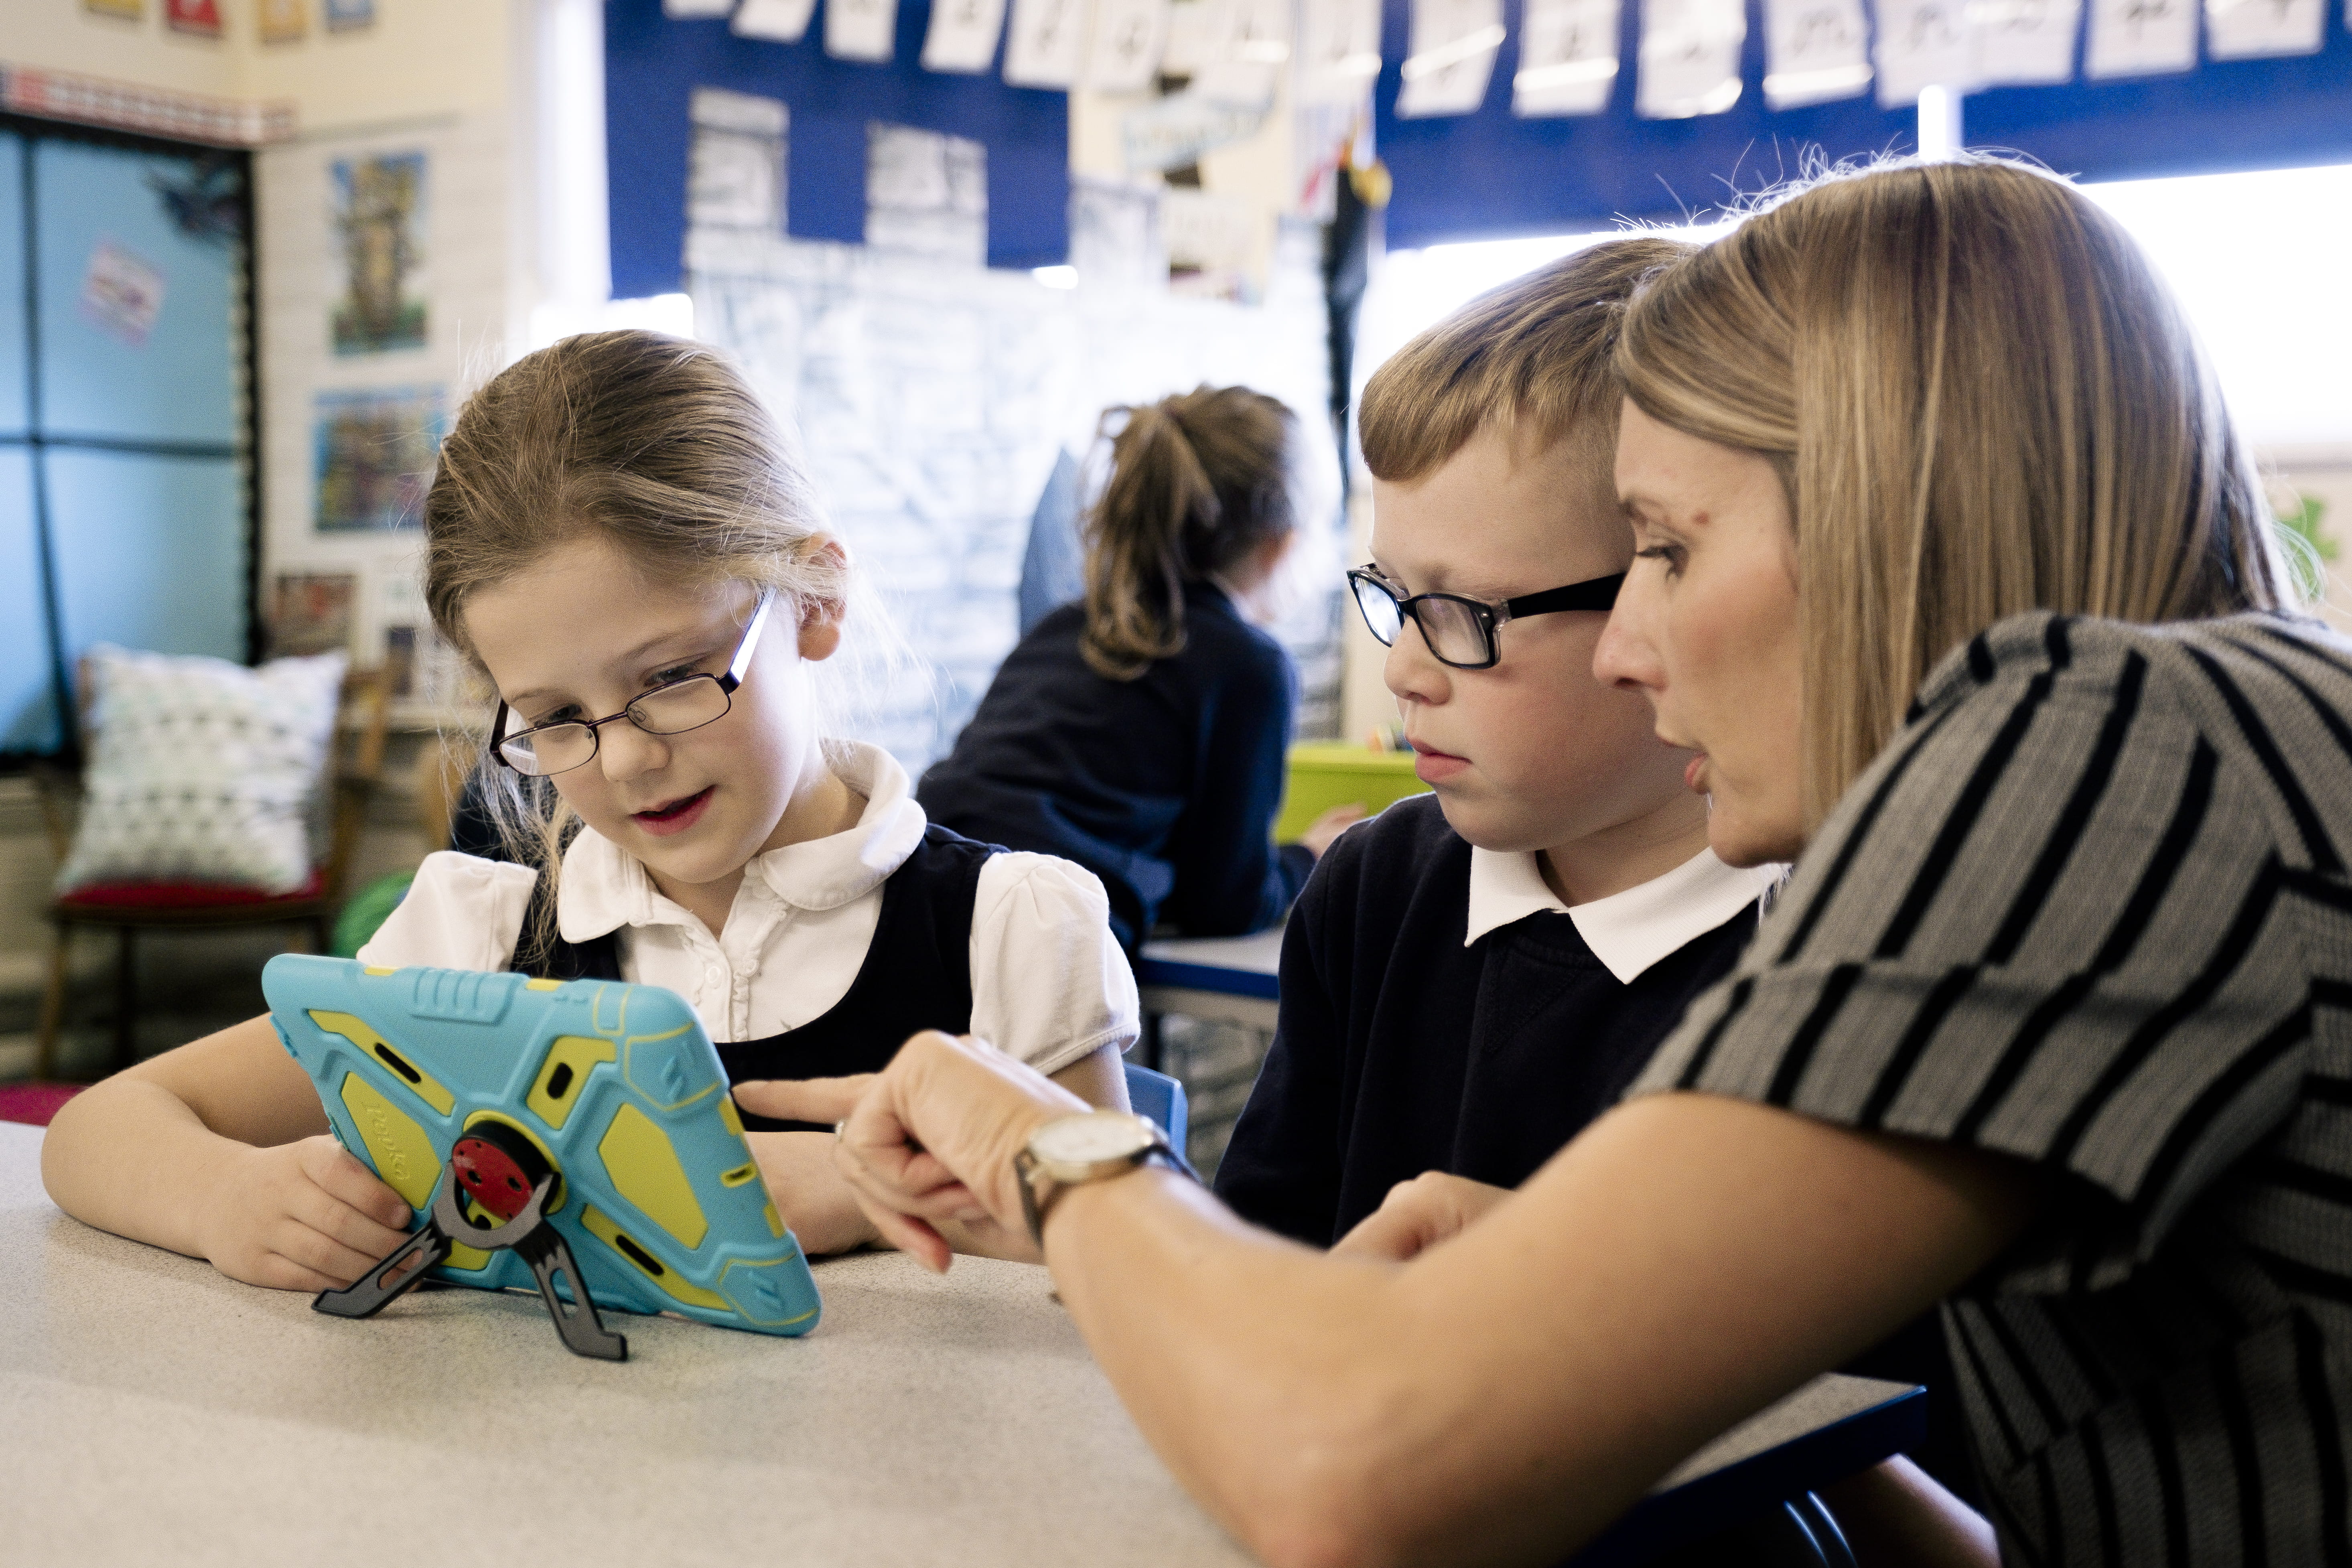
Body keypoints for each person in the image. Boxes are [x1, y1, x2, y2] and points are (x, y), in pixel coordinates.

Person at [739, 156, 2344, 1568]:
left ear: (1881, 512)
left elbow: (1350, 1477)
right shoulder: (2212, 750)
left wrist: (1057, 1149)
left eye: (1665, 544)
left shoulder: (2116, 738)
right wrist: (1689, 1371)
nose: (1632, 644)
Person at [41, 329, 1138, 1280]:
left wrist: (855, 1187)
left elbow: (1132, 1262)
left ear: (815, 599)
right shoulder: (472, 937)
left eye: (669, 678)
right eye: (555, 713)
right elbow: (96, 1129)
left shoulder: (1013, 927)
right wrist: (227, 1198)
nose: (623, 762)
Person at [1214, 237, 1776, 1245]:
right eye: (1393, 597)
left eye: (1466, 611)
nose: (1403, 672)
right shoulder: (1372, 888)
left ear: (1666, 584)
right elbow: (1268, 1249)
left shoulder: (1823, 946)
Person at [916, 385, 1360, 958]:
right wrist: (1309, 856)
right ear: (1281, 546)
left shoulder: (1066, 624)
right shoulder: (1250, 666)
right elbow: (1224, 900)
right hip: (1032, 941)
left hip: (917, 889)